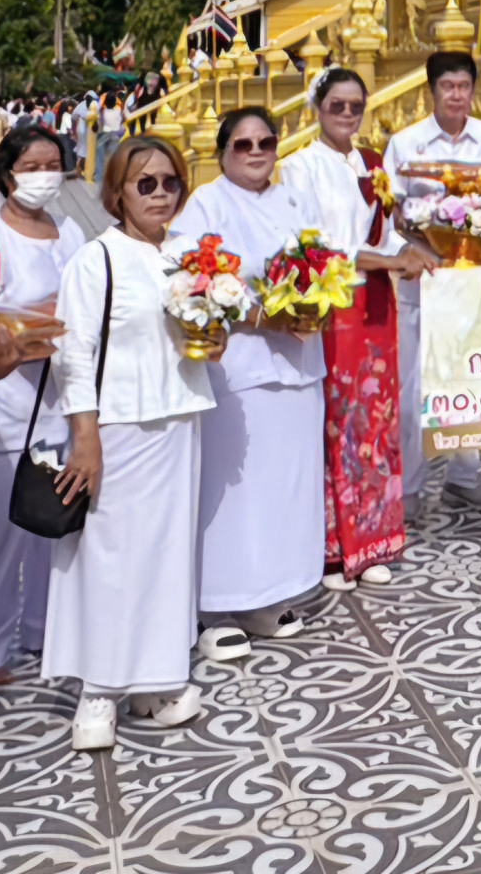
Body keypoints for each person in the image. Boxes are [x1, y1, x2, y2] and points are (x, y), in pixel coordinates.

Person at [46, 135, 217, 751]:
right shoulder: (97, 260)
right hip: (118, 426)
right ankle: (98, 689)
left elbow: (199, 331)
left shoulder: (187, 257)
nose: (161, 194)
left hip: (178, 419)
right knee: (111, 556)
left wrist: (213, 341)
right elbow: (73, 353)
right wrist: (84, 435)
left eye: (171, 182)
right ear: (117, 191)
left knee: (167, 554)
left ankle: (156, 679)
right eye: (146, 184)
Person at [169, 106, 323, 644]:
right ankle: (217, 603)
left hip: (300, 362)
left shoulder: (294, 200)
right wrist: (260, 315)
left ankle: (272, 594)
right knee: (237, 486)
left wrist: (319, 297)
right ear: (223, 154)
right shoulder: (207, 203)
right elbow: (187, 277)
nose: (257, 152)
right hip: (243, 367)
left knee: (286, 483)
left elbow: (322, 263)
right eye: (243, 144)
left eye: (266, 142)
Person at [281, 68, 432, 588]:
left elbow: (386, 233)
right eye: (337, 106)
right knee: (338, 419)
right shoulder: (300, 167)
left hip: (377, 304)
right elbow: (312, 244)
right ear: (317, 108)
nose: (347, 116)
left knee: (375, 418)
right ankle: (332, 545)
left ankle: (372, 540)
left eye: (355, 107)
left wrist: (408, 255)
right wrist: (383, 260)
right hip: (335, 303)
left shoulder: (372, 163)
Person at [0, 127, 86, 685]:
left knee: (54, 525)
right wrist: (45, 314)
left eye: (52, 163)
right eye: (31, 164)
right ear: (7, 173)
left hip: (65, 399)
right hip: (4, 401)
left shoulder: (71, 232)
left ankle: (45, 627)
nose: (43, 174)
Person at [381, 49, 481, 516]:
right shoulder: (406, 143)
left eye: (464, 87)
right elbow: (392, 213)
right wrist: (423, 237)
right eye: (447, 87)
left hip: (475, 281)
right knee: (414, 381)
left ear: (473, 90)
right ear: (431, 91)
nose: (456, 95)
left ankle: (463, 475)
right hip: (424, 278)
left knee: (470, 375)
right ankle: (411, 486)